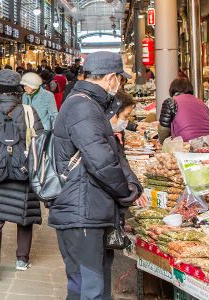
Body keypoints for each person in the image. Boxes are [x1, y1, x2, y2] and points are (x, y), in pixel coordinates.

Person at [50, 51, 142, 300]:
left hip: (88, 209)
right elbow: (101, 162)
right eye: (120, 80)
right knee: (89, 289)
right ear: (112, 78)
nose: (119, 85)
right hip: (82, 213)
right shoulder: (82, 106)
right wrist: (127, 192)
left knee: (90, 287)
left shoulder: (87, 103)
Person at [0, 69, 44, 281]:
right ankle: (22, 260)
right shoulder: (29, 111)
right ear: (17, 90)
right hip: (23, 170)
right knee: (24, 217)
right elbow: (39, 141)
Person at [158, 78, 209, 143]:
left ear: (171, 90)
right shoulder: (201, 103)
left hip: (186, 144)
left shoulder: (171, 102)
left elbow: (163, 130)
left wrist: (163, 144)